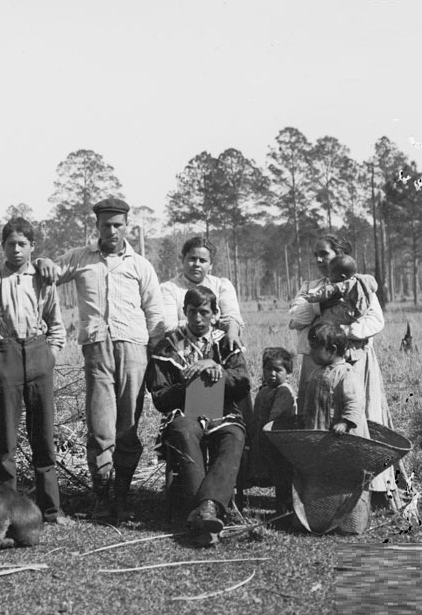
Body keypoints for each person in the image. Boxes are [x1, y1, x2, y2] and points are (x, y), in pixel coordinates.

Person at [38, 198, 164, 521]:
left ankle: (123, 495)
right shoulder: (81, 258)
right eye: (106, 224)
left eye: (118, 224)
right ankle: (102, 498)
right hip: (97, 349)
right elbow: (51, 271)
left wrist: (158, 355)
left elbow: (155, 313)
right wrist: (41, 262)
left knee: (129, 425)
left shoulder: (140, 266)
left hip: (135, 349)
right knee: (100, 425)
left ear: (126, 226)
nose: (112, 230)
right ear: (97, 226)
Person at [0, 217, 70, 525]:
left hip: (38, 354)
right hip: (4, 356)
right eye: (10, 244)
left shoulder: (43, 279)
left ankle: (52, 510)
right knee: (6, 443)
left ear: (32, 247)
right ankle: (5, 513)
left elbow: (57, 326)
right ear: (2, 247)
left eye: (22, 244)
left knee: (43, 438)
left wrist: (48, 356)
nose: (16, 249)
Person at [288, 234, 395, 495]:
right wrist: (321, 302)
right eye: (316, 255)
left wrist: (341, 331)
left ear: (341, 256)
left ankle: (369, 488)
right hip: (317, 362)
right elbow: (294, 318)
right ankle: (321, 489)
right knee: (318, 417)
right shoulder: (310, 287)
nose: (319, 259)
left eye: (324, 253)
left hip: (354, 360)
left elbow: (374, 321)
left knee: (358, 415)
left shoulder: (360, 285)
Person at [146, 286, 250, 547]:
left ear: (215, 314)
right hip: (183, 411)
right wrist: (187, 382)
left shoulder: (225, 343)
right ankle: (209, 508)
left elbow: (243, 383)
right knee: (184, 431)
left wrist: (217, 368)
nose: (198, 318)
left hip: (222, 412)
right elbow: (159, 396)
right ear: (184, 312)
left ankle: (204, 509)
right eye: (192, 312)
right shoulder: (168, 346)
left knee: (233, 435)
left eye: (204, 312)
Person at [299, 322, 370, 533]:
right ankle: (320, 515)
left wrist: (345, 421)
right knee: (323, 473)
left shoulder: (346, 374)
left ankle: (350, 520)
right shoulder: (318, 373)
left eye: (314, 347)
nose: (310, 351)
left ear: (331, 350)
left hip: (344, 436)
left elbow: (354, 401)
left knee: (346, 474)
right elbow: (310, 400)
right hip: (322, 434)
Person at [160, 236, 243, 350]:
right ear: (183, 260)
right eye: (192, 259)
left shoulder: (222, 286)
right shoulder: (168, 289)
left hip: (216, 347)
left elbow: (234, 319)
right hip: (181, 348)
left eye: (203, 260)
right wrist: (215, 322)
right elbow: (170, 327)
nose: (197, 264)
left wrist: (232, 331)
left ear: (211, 265)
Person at [247, 347, 297, 516]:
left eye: (278, 370)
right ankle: (281, 506)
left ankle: (285, 507)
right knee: (272, 472)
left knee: (282, 474)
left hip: (279, 440)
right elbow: (256, 415)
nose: (272, 374)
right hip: (264, 439)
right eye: (268, 369)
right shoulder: (264, 390)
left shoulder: (284, 391)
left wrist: (264, 431)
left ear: (288, 373)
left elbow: (276, 417)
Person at [303, 254, 372, 325]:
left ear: (342, 277)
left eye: (331, 274)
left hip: (343, 312)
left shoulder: (339, 285)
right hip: (358, 312)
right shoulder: (361, 282)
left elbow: (325, 291)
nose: (329, 277)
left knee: (319, 322)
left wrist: (311, 298)